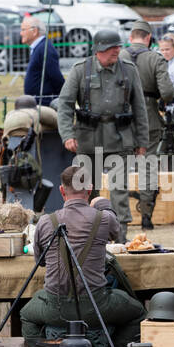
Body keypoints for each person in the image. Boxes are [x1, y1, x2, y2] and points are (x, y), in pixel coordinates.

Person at [19, 165, 146, 347]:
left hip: (55, 308)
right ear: (89, 189)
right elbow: (117, 232)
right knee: (138, 313)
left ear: (62, 191)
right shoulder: (103, 218)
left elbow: (40, 262)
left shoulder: (46, 222)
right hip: (97, 306)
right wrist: (102, 203)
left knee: (26, 314)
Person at [56, 28, 148, 232]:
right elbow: (65, 104)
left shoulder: (129, 70)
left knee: (119, 188)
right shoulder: (81, 70)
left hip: (120, 137)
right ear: (99, 49)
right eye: (111, 48)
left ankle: (120, 231)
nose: (116, 50)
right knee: (85, 187)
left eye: (118, 47)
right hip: (88, 137)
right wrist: (67, 134)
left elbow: (140, 108)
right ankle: (87, 229)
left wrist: (142, 142)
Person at [121, 20, 174, 230]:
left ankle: (120, 215)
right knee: (148, 166)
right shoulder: (155, 58)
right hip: (149, 115)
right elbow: (168, 93)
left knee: (120, 165)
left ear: (130, 37)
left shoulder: (120, 56)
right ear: (148, 38)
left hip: (122, 118)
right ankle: (146, 216)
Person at [20, 14, 63, 107]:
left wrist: (62, 98)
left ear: (34, 31)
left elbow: (55, 76)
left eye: (23, 30)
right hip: (36, 103)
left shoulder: (45, 49)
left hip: (44, 104)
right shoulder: (39, 47)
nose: (21, 33)